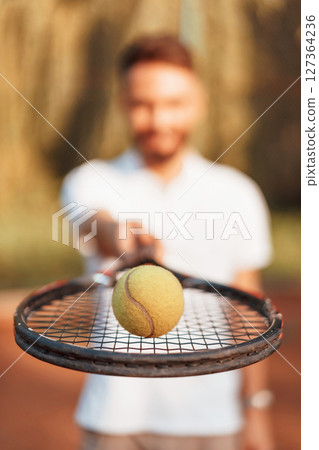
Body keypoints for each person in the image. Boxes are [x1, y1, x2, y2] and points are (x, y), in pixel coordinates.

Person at [61, 35, 274, 450]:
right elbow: (92, 226)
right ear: (123, 104)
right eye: (143, 104)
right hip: (114, 421)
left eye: (174, 103)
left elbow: (246, 306)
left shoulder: (238, 193)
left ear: (199, 103)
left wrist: (257, 407)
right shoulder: (86, 181)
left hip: (212, 421)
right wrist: (120, 236)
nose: (159, 120)